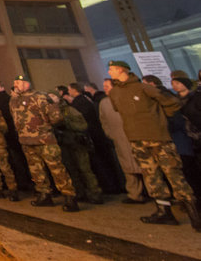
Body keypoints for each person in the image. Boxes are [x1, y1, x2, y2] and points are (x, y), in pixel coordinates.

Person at [108, 60, 201, 230]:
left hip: (159, 138)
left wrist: (161, 122)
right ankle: (164, 211)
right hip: (137, 139)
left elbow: (173, 104)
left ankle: (195, 215)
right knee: (151, 176)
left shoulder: (145, 88)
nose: (109, 72)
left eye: (112, 69)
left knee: (173, 173)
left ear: (122, 70)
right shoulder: (114, 93)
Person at [10, 76, 78, 212]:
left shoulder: (41, 97)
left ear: (26, 84)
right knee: (36, 170)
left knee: (56, 168)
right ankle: (44, 195)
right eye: (15, 83)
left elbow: (56, 118)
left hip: (44, 140)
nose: (15, 85)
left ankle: (69, 196)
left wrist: (44, 127)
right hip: (26, 141)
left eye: (18, 82)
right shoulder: (14, 101)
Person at [49, 92, 104, 204]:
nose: (51, 99)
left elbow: (83, 125)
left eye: (53, 97)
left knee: (85, 169)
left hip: (76, 143)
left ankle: (95, 193)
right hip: (64, 144)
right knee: (71, 170)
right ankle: (79, 192)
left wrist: (67, 124)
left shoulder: (69, 110)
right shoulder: (50, 113)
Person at [100, 77, 147, 204]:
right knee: (127, 167)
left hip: (134, 136)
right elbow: (104, 121)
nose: (105, 88)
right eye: (104, 86)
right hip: (118, 139)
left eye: (107, 86)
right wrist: (110, 134)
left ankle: (151, 192)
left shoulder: (125, 98)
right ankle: (134, 194)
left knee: (143, 165)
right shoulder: (104, 103)